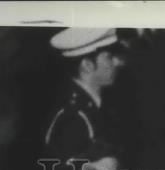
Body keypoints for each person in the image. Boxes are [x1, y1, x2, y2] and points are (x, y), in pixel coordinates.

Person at [44, 28, 128, 162]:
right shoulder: (74, 118)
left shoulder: (95, 106)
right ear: (87, 65)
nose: (118, 62)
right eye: (109, 57)